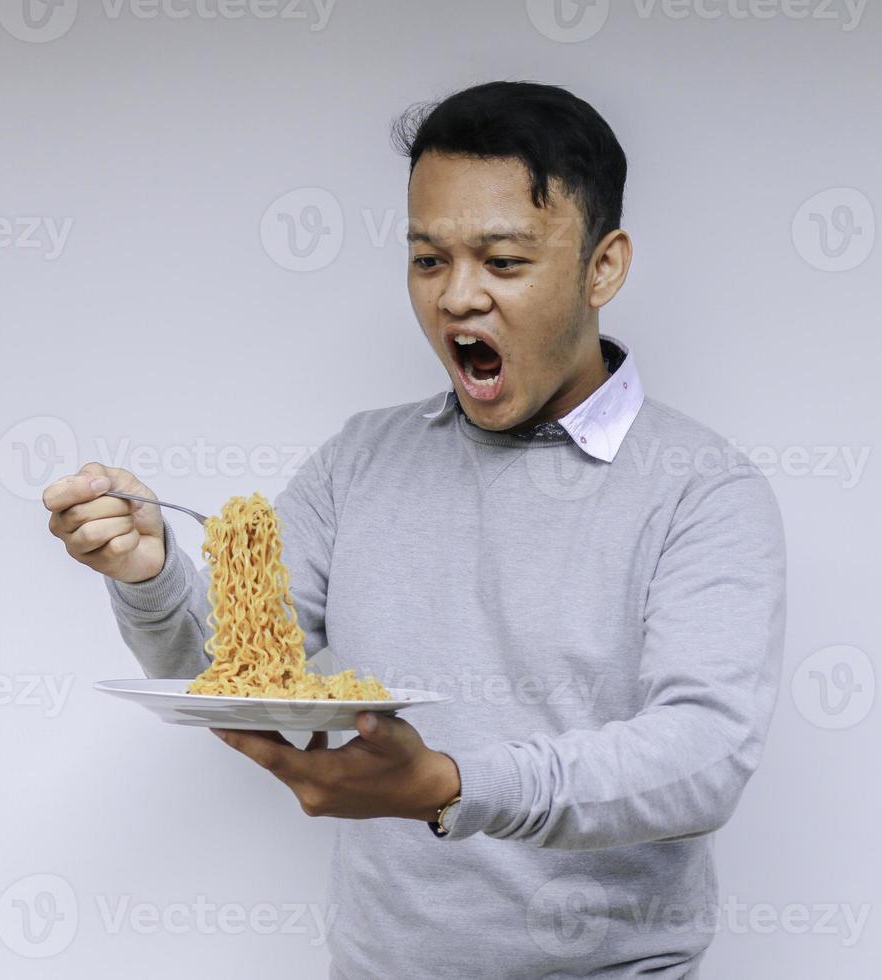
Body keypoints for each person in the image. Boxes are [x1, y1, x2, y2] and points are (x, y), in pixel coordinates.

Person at [43, 79, 786, 979]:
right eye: (428, 260)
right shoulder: (360, 462)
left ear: (604, 266)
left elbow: (702, 755)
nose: (456, 299)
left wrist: (454, 788)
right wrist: (151, 574)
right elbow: (235, 675)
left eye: (503, 263)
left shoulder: (701, 491)